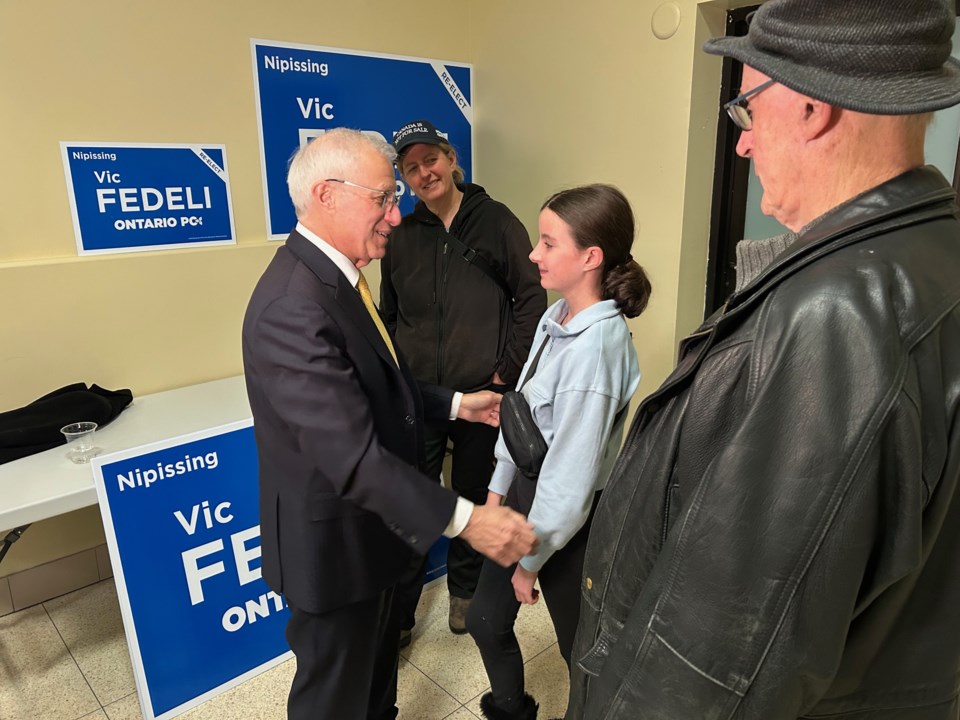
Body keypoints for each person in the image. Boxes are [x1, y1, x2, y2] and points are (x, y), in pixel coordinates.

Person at [567, 1, 960, 718]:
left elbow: (714, 668)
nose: (742, 144)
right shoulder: (935, 263)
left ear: (813, 109)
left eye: (747, 109)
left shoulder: (835, 320)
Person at [241, 128, 538, 720]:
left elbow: (379, 384)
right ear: (327, 195)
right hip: (335, 549)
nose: (396, 216)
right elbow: (349, 457)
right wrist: (467, 519)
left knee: (375, 692)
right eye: (382, 198)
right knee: (336, 702)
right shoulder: (293, 306)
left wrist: (456, 404)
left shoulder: (340, 278)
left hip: (372, 537)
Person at [466, 184, 652, 720]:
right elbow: (519, 412)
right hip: (526, 495)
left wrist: (529, 563)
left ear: (590, 257)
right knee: (485, 619)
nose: (533, 254)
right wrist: (497, 494)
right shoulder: (557, 317)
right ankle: (511, 709)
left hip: (569, 522)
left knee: (582, 653)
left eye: (548, 243)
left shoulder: (597, 348)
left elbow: (569, 481)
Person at [381, 119, 547, 637]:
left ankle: (464, 592)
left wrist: (505, 372)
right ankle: (402, 613)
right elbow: (388, 316)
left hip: (483, 394)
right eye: (411, 167)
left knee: (474, 496)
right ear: (404, 179)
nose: (423, 172)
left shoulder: (496, 222)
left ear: (451, 159)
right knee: (412, 500)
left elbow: (532, 298)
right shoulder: (403, 237)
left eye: (431, 159)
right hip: (422, 399)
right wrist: (401, 380)